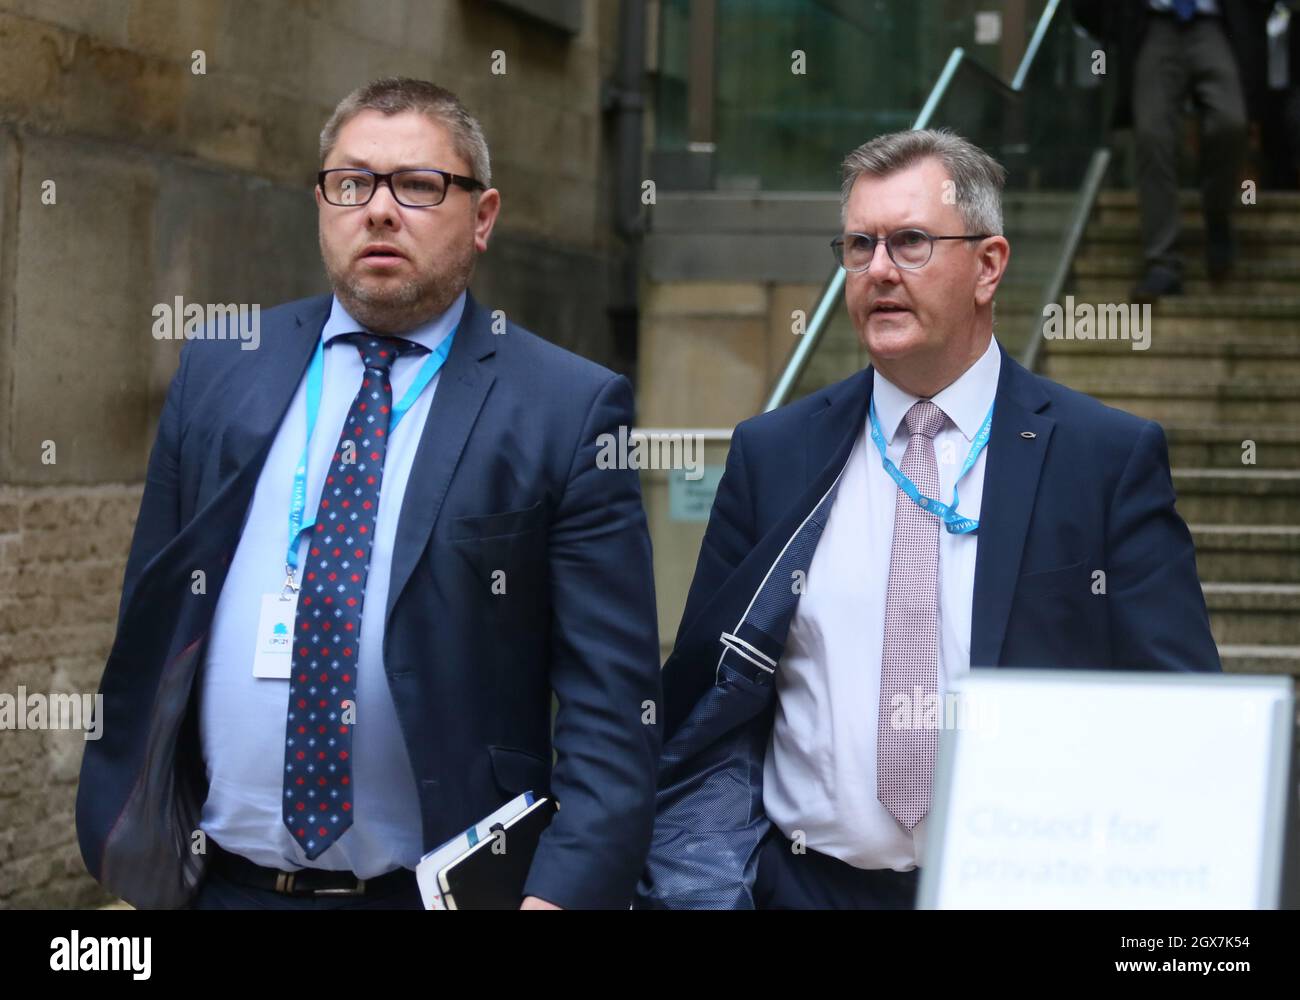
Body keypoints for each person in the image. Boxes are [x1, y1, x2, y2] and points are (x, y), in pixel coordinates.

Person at [76, 77, 662, 910]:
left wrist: (559, 896)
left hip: (434, 894)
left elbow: (613, 708)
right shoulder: (222, 367)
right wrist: (132, 847)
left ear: (483, 216)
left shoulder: (565, 408)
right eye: (352, 184)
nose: (379, 211)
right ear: (323, 203)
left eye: (419, 186)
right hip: (220, 887)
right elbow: (153, 623)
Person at [637, 128, 1221, 911]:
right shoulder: (773, 454)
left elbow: (1181, 717)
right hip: (806, 890)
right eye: (857, 245)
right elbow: (715, 699)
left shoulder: (1104, 460)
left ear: (989, 265)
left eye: (910, 241)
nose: (877, 269)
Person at [1072, 0, 1271, 300]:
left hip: (1215, 24)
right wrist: (1113, 25)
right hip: (1153, 24)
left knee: (1231, 123)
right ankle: (1162, 261)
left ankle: (1218, 216)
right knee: (1152, 135)